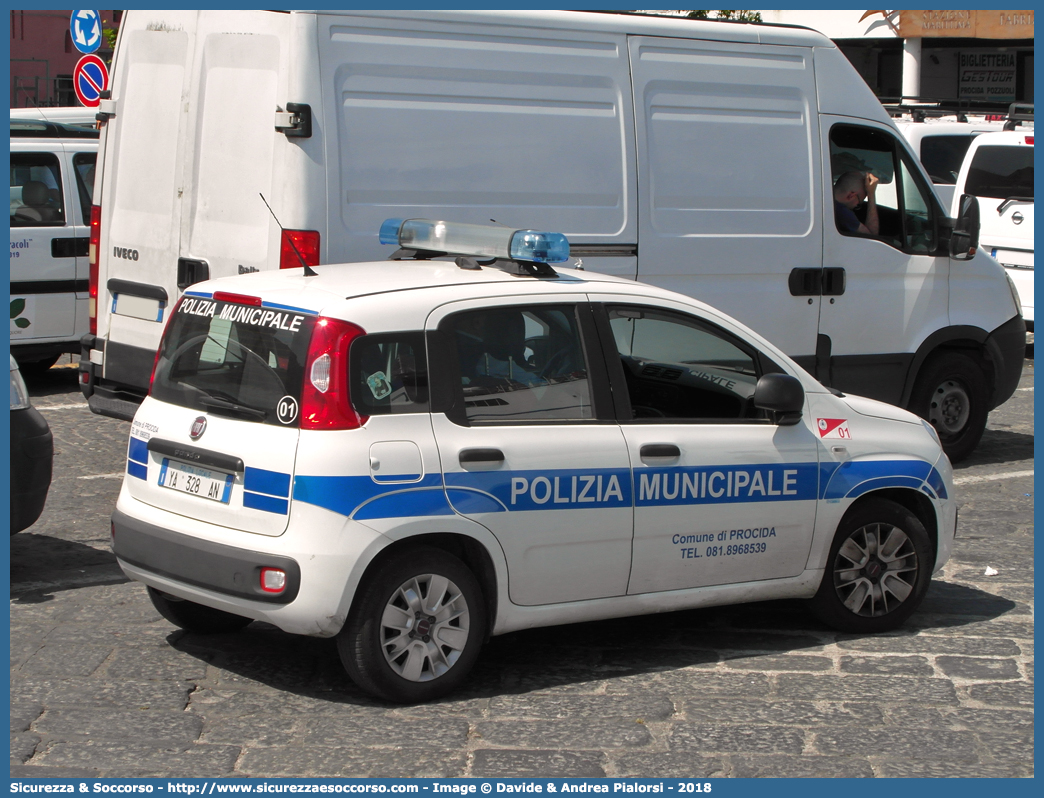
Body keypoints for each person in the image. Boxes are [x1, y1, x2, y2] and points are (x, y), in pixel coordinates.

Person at [833, 170, 879, 236]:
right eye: (859, 203)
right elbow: (872, 236)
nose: (856, 206)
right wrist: (871, 194)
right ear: (851, 196)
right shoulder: (842, 213)